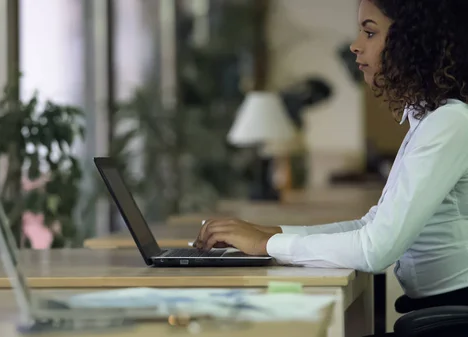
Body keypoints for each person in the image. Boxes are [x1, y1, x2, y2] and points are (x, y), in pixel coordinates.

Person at [195, 0, 468, 334]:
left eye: (370, 32)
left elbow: (376, 249)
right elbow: (372, 224)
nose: (355, 45)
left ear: (414, 41)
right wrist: (271, 235)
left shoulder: (450, 122)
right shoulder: (429, 119)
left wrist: (267, 245)